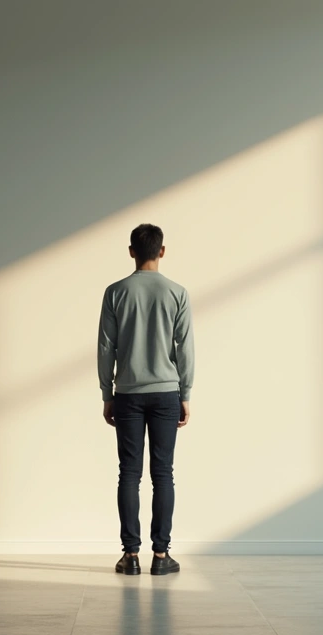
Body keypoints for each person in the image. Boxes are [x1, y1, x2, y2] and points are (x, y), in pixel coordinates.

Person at [98, 223, 194, 576]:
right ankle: (161, 555)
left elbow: (106, 347)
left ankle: (131, 556)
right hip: (167, 392)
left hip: (128, 393)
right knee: (163, 473)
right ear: (162, 251)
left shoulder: (115, 292)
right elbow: (185, 349)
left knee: (129, 473)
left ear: (131, 251)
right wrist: (186, 393)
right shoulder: (177, 293)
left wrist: (107, 393)